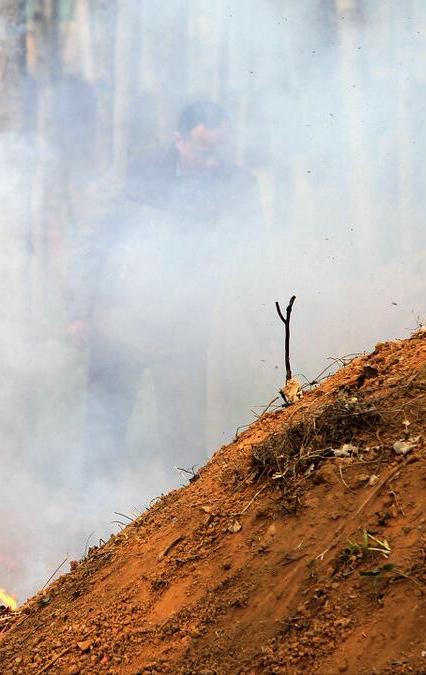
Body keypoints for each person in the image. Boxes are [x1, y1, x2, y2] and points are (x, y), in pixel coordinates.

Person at [70, 101, 261, 485]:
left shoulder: (239, 186)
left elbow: (252, 259)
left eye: (217, 151)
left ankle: (185, 528)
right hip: (117, 325)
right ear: (178, 140)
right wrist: (80, 310)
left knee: (184, 438)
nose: (211, 161)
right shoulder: (136, 171)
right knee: (103, 433)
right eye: (202, 150)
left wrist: (265, 328)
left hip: (183, 331)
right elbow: (95, 240)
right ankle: (91, 524)